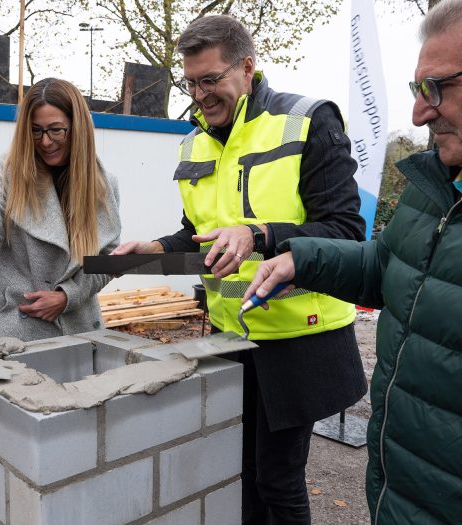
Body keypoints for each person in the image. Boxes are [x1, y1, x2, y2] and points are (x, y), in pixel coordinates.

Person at [245, 0, 462, 522]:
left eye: (437, 87)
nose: (419, 113)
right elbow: (396, 267)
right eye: (415, 90)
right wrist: (300, 259)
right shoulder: (442, 182)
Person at [112, 15, 367, 524]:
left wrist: (260, 234)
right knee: (240, 473)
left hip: (298, 340)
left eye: (211, 80)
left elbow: (346, 232)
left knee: (278, 478)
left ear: (247, 68)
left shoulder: (309, 121)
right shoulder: (195, 142)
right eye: (191, 82)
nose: (200, 95)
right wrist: (153, 249)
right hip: (233, 337)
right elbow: (199, 236)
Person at [0, 78, 121, 341]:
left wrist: (68, 296)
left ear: (77, 128)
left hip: (81, 331)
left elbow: (107, 260)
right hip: (17, 330)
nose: (45, 142)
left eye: (56, 130)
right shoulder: (11, 172)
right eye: (35, 131)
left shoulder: (103, 185)